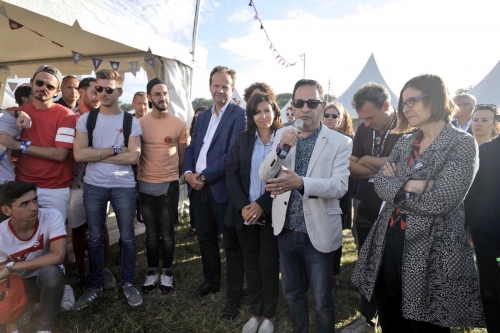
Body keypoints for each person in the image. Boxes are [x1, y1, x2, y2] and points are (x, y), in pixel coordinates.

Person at [352, 74, 484, 332]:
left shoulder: (461, 143)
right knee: (391, 317)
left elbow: (442, 201)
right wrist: (409, 185)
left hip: (432, 247)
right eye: (403, 103)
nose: (405, 108)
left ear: (435, 98)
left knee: (426, 324)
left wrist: (396, 185)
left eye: (412, 100)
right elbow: (380, 184)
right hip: (389, 240)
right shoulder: (406, 141)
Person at [259, 79, 352, 333]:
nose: (304, 109)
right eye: (299, 103)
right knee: (291, 293)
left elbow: (339, 186)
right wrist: (279, 148)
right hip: (286, 229)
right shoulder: (282, 134)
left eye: (312, 103)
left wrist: (301, 183)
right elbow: (264, 174)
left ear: (321, 106)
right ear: (293, 106)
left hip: (318, 231)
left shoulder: (339, 142)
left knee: (322, 301)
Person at [0, 65, 77, 311]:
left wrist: (19, 145)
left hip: (54, 187)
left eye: (50, 86)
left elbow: (60, 153)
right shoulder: (17, 112)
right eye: (39, 83)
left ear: (56, 91)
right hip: (22, 186)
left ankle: (62, 286)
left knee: (54, 243)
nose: (43, 88)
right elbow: (6, 116)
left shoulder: (66, 115)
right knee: (20, 240)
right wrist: (15, 115)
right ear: (31, 83)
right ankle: (23, 294)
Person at [73, 69, 143, 310]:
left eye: (108, 89)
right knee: (94, 238)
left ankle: (128, 283)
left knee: (128, 237)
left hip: (123, 186)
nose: (102, 93)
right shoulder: (86, 119)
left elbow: (134, 157)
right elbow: (79, 154)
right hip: (94, 186)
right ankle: (95, 284)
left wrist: (97, 155)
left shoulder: (130, 121)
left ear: (120, 92)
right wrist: (115, 150)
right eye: (98, 89)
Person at [183, 66, 246, 321]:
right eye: (216, 85)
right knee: (205, 239)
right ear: (210, 87)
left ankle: (234, 295)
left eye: (226, 86)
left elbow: (232, 155)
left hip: (221, 189)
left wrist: (204, 176)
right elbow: (191, 147)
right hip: (197, 189)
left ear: (232, 88)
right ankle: (211, 282)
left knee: (231, 246)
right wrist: (188, 173)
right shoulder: (203, 116)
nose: (220, 90)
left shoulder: (239, 115)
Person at [342, 82, 403, 333]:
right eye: (361, 119)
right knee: (367, 265)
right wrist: (383, 166)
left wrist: (366, 161)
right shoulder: (365, 129)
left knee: (393, 272)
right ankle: (367, 318)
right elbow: (350, 165)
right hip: (367, 208)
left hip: (395, 213)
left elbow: (401, 168)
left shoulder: (407, 127)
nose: (365, 124)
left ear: (386, 106)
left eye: (369, 117)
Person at [225, 93, 282, 333]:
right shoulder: (242, 139)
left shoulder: (283, 141)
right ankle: (255, 313)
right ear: (251, 115)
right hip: (245, 213)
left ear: (274, 111)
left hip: (270, 213)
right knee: (251, 265)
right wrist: (244, 206)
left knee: (268, 264)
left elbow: (283, 178)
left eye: (267, 110)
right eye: (257, 111)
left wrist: (261, 205)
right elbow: (231, 172)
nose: (263, 116)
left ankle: (269, 315)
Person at [138, 78, 190, 294]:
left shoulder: (179, 124)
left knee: (168, 233)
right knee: (151, 233)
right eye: (157, 94)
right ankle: (151, 271)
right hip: (145, 185)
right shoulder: (139, 124)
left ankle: (167, 272)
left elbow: (183, 157)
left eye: (165, 93)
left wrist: (173, 177)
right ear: (149, 98)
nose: (162, 97)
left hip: (169, 185)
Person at [0, 181, 66, 333]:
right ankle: (17, 318)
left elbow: (58, 256)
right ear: (6, 210)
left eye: (35, 200)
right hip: (19, 284)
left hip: (44, 280)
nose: (34, 207)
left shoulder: (51, 216)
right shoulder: (1, 234)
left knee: (52, 273)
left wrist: (12, 266)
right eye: (24, 204)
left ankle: (45, 327)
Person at [68, 77, 115, 289]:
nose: (99, 96)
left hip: (100, 181)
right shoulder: (70, 117)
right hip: (75, 183)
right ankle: (80, 269)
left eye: (103, 92)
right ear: (81, 92)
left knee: (100, 227)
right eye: (95, 92)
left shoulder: (107, 118)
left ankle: (103, 269)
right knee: (77, 227)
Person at [465, 130, 500, 333]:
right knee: (491, 287)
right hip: (489, 235)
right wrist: (475, 221)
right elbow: (473, 192)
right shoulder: (486, 150)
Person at [184, 106, 207, 238]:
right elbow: (189, 151)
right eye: (196, 116)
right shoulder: (191, 132)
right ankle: (194, 227)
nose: (199, 119)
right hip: (192, 175)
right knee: (194, 204)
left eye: (201, 116)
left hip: (206, 177)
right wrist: (188, 174)